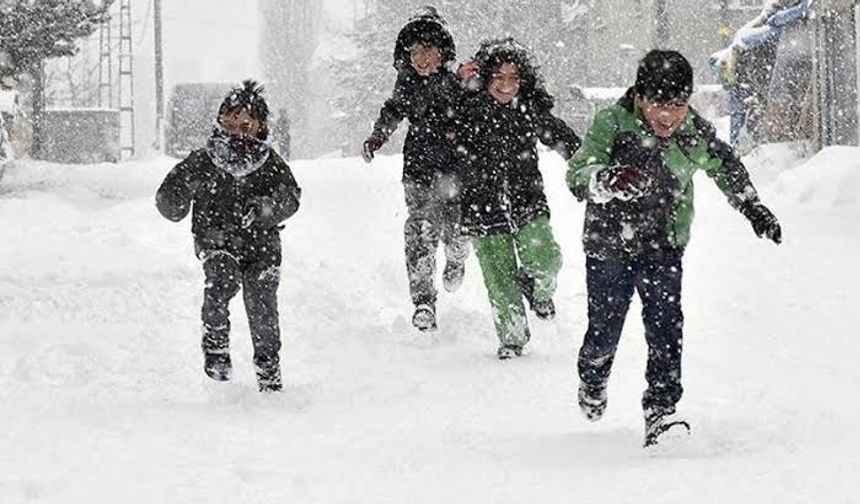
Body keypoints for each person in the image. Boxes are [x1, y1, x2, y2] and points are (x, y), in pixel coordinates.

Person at [566, 50, 782, 446]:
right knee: (604, 330)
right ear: (640, 97)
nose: (668, 117)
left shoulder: (691, 132)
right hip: (608, 248)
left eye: (678, 106)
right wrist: (607, 180)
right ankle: (593, 376)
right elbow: (578, 174)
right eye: (658, 106)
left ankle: (662, 412)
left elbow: (724, 164)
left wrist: (752, 205)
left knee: (666, 329)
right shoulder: (612, 123)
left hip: (663, 247)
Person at [155, 80, 301, 392]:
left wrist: (265, 210)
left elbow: (291, 198)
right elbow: (168, 198)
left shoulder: (269, 163)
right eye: (229, 123)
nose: (236, 132)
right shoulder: (203, 160)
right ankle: (216, 344)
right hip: (215, 240)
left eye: (245, 125)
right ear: (219, 121)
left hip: (262, 247)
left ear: (260, 128)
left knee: (263, 307)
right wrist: (178, 196)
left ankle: (268, 367)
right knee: (221, 281)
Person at [453, 38, 580, 359]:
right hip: (481, 205)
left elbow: (562, 137)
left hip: (526, 199)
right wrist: (456, 82)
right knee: (499, 278)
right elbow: (436, 118)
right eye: (498, 77)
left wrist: (585, 164)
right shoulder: (466, 107)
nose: (506, 85)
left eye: (513, 78)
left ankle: (539, 290)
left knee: (546, 258)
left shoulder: (528, 107)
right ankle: (512, 338)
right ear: (484, 77)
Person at [361, 6, 470, 332]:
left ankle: (456, 255)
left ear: (443, 54)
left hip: (452, 167)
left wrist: (458, 124)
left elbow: (470, 112)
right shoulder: (406, 84)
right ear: (406, 55)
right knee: (420, 231)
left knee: (455, 225)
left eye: (430, 52)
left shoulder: (455, 83)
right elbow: (393, 110)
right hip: (418, 169)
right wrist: (379, 134)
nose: (423, 59)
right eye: (416, 52)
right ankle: (424, 299)